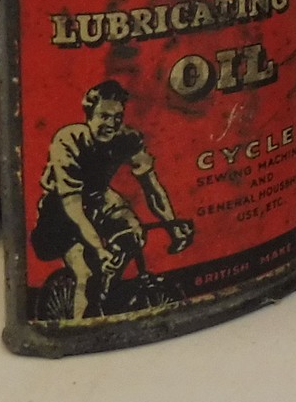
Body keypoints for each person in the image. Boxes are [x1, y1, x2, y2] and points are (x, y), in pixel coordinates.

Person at [30, 80, 193, 319]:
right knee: (85, 275)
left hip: (99, 197)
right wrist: (98, 249)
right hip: (61, 209)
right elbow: (72, 206)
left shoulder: (127, 139)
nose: (111, 124)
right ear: (89, 114)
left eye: (117, 117)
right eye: (104, 116)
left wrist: (172, 224)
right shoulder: (68, 141)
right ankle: (79, 327)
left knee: (133, 232)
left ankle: (105, 290)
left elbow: (152, 188)